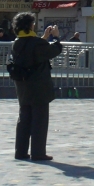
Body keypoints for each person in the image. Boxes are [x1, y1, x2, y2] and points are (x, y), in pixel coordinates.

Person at [10, 12, 63, 161]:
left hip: (22, 86)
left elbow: (32, 50)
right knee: (39, 120)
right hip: (38, 86)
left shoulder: (17, 42)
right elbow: (53, 51)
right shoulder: (36, 43)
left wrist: (44, 38)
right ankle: (38, 152)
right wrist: (56, 37)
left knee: (24, 119)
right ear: (29, 25)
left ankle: (20, 152)